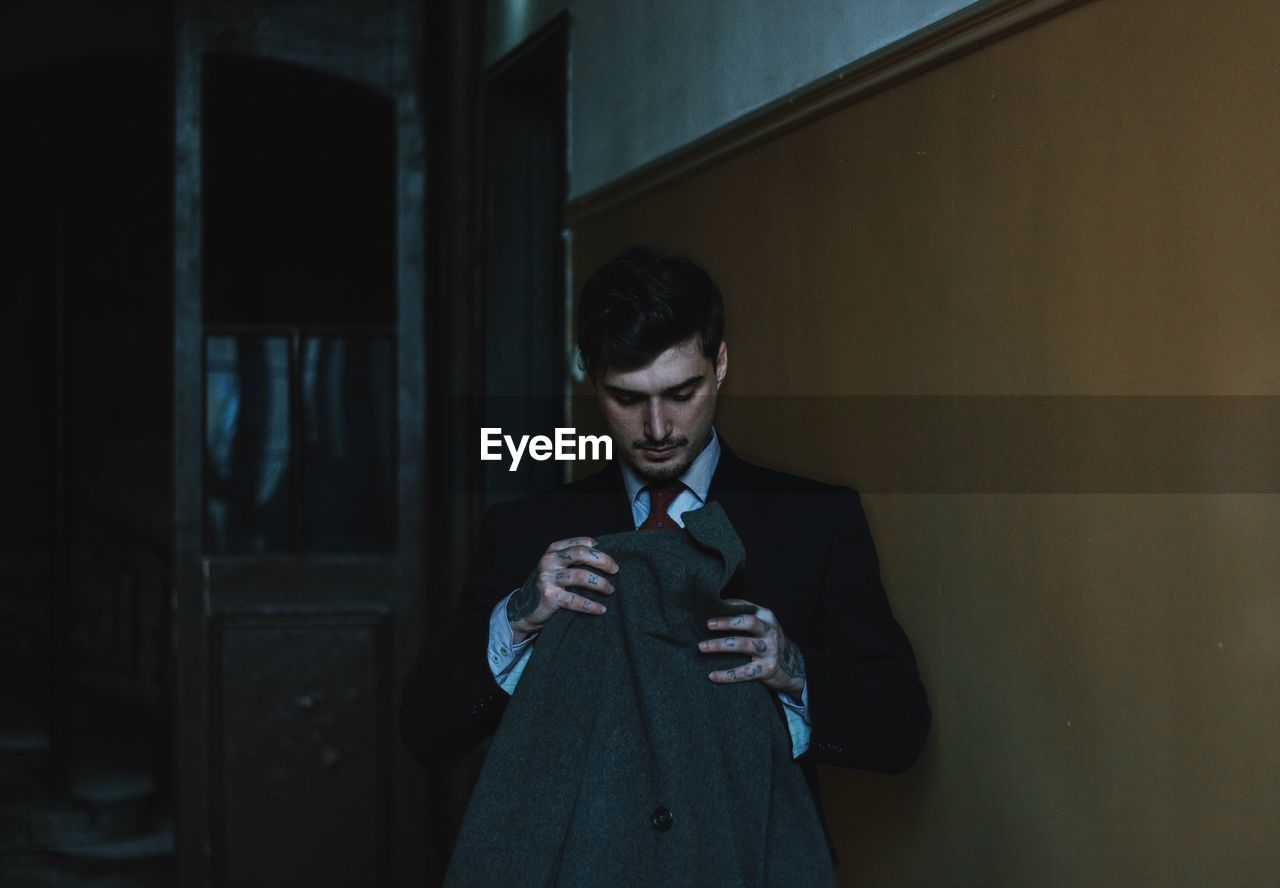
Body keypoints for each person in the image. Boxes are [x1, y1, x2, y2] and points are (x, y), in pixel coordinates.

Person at [400, 246, 931, 863]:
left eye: (683, 393)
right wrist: (517, 618)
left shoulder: (815, 520)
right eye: (627, 399)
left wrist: (794, 669)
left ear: (721, 363)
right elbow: (426, 731)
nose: (658, 428)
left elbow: (901, 732)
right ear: (590, 376)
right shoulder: (527, 530)